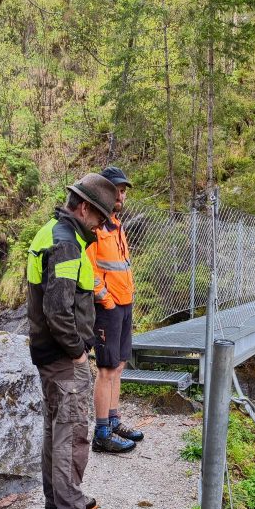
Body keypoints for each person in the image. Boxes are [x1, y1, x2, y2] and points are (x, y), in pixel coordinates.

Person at [26, 173, 119, 509]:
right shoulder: (66, 243)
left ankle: (58, 500)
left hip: (48, 352)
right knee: (72, 432)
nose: (100, 224)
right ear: (83, 208)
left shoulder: (53, 230)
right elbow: (57, 308)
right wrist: (79, 352)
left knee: (56, 428)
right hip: (63, 355)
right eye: (98, 216)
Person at [86, 165, 145, 454]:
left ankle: (114, 419)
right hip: (108, 306)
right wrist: (104, 297)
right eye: (117, 190)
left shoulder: (117, 225)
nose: (121, 195)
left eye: (123, 191)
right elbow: (89, 267)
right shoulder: (95, 227)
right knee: (107, 368)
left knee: (119, 365)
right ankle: (101, 432)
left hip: (124, 302)